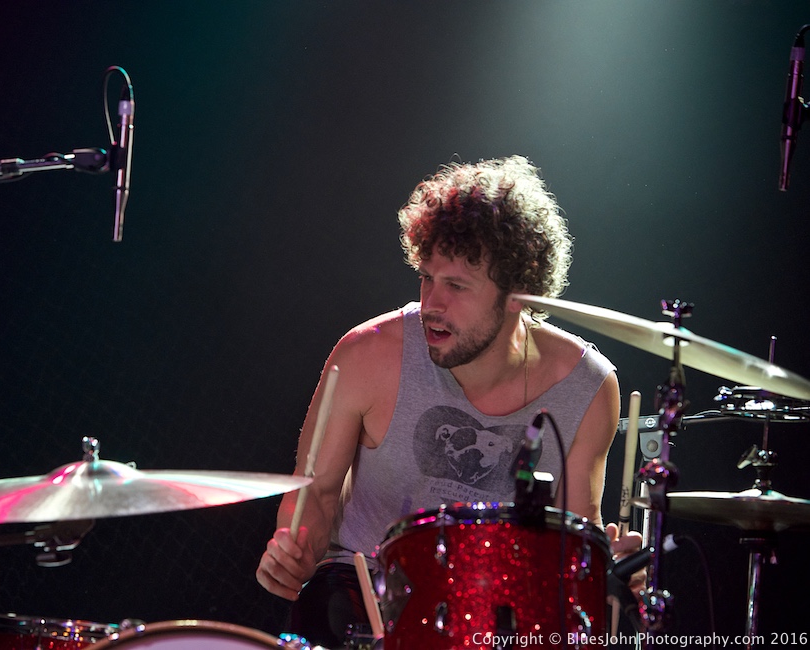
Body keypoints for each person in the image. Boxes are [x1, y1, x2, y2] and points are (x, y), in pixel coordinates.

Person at [256, 155, 641, 647]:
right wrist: (295, 549)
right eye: (426, 278)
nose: (432, 304)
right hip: (367, 591)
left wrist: (607, 572)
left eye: (456, 286)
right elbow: (315, 494)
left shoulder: (587, 387)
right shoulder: (366, 353)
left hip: (500, 612)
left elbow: (570, 545)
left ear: (517, 297)